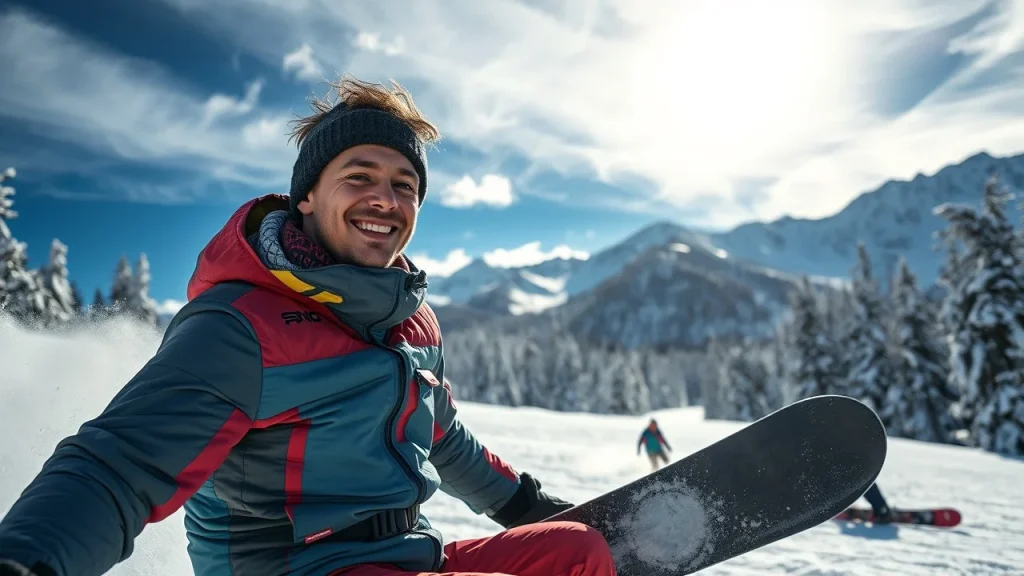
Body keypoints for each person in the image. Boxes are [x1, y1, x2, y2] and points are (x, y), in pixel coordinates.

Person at [0, 76, 616, 576]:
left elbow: (443, 438)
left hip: (407, 555)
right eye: (359, 177)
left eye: (404, 186)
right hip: (297, 567)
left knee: (581, 551)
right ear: (307, 197)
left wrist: (528, 506)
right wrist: (29, 559)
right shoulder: (242, 325)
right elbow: (120, 464)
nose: (385, 199)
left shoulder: (412, 321)